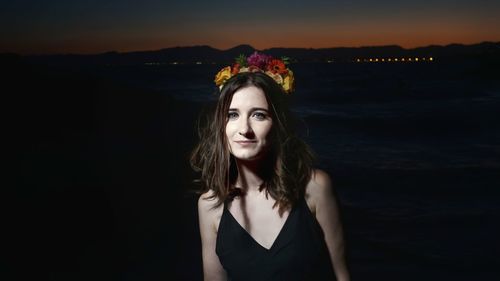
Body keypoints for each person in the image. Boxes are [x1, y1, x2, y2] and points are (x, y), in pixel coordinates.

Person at [191, 52, 350, 281]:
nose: (244, 128)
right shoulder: (209, 205)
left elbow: (342, 275)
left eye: (258, 115)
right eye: (232, 115)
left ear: (277, 124)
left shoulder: (315, 187)